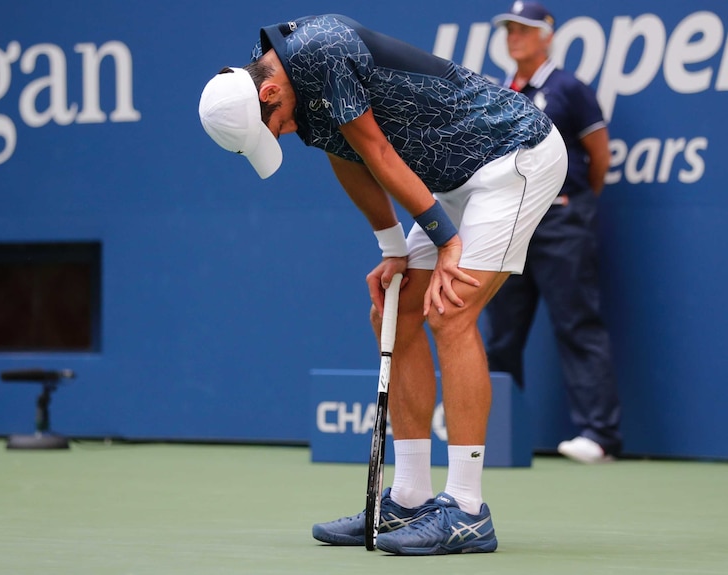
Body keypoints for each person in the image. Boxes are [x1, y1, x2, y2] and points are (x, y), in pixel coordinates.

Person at [198, 14, 567, 556]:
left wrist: (446, 242)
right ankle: (411, 497)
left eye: (274, 125)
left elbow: (378, 152)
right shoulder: (289, 87)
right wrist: (393, 249)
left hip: (514, 158)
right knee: (393, 310)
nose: (284, 132)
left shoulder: (322, 52)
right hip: (455, 179)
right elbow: (347, 158)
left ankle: (466, 510)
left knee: (450, 310)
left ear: (270, 91)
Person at [486, 2, 622, 464]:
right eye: (509, 29)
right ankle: (494, 431)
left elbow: (597, 157)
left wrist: (573, 202)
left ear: (547, 35)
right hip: (511, 223)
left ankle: (599, 436)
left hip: (563, 222)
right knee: (501, 332)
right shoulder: (503, 91)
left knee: (576, 323)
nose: (514, 36)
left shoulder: (571, 89)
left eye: (524, 29)